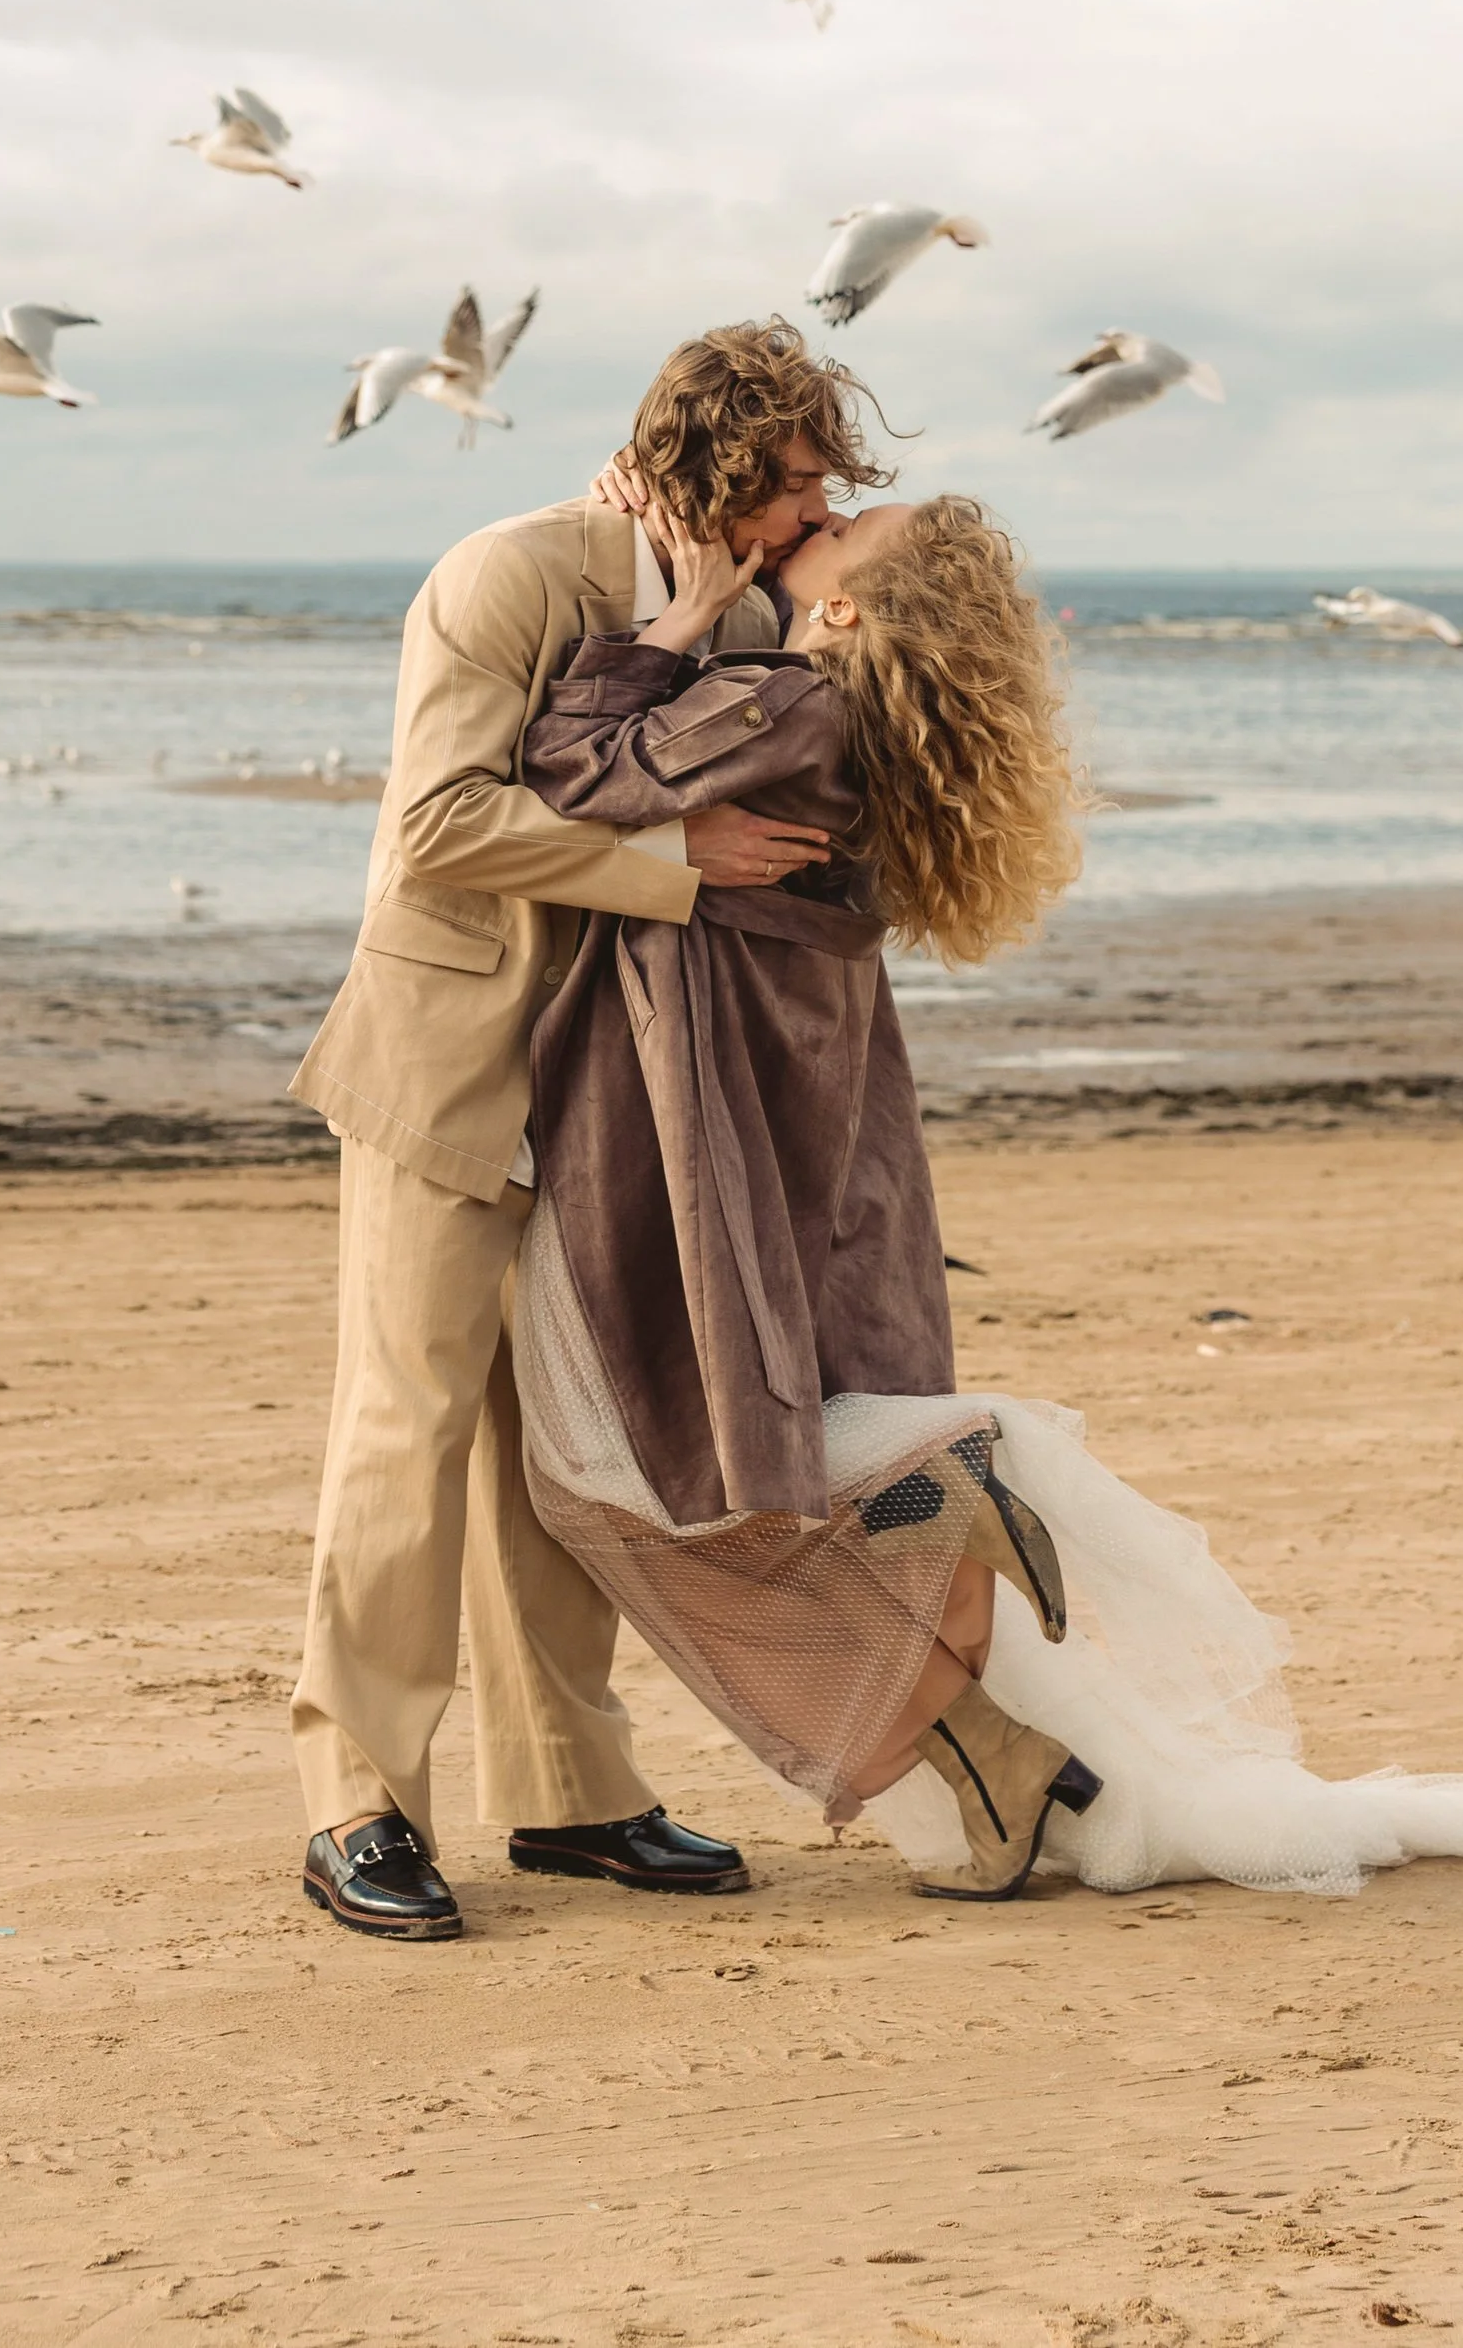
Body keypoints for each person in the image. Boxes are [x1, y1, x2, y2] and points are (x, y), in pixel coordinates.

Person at [512, 487, 1463, 1905]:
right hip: (772, 1110)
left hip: (682, 1122)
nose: (798, 532)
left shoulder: (791, 700)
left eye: (828, 536)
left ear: (840, 610)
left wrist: (683, 618)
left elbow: (574, 761)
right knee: (668, 1462)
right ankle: (994, 1747)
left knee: (604, 1470)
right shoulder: (865, 727)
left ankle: (942, 1466)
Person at [286, 317, 889, 1941]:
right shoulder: (508, 574)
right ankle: (359, 1799)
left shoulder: (769, 608)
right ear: (709, 467)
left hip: (628, 1092)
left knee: (563, 1449)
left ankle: (566, 1788)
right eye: (793, 475)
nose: (814, 503)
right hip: (451, 1059)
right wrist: (673, 859)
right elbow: (437, 822)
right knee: (409, 1422)